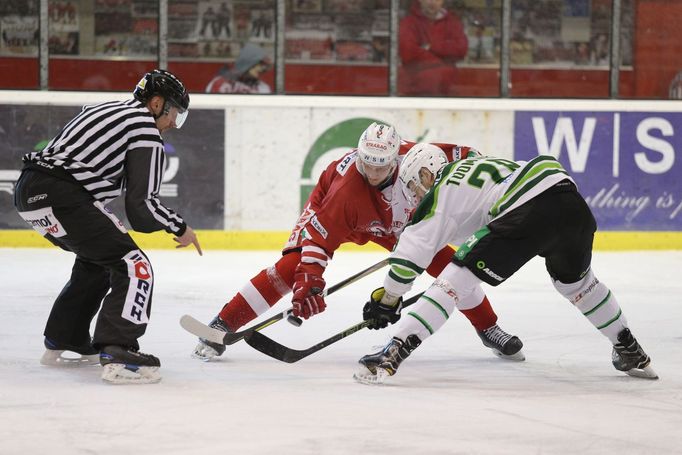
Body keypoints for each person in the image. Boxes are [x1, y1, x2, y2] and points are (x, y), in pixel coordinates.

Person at [192, 124, 524, 361]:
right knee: (291, 268)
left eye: (381, 165)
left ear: (397, 157)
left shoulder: (419, 157)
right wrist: (310, 281)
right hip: (341, 214)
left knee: (449, 266)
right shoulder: (346, 193)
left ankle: (488, 328)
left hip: (396, 222)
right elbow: (319, 242)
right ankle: (222, 324)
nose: (372, 173)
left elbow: (465, 155)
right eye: (366, 163)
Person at [354, 145, 658, 384]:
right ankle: (629, 348)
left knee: (454, 280)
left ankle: (394, 350)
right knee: (578, 284)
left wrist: (390, 298)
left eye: (414, 187)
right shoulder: (480, 166)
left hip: (526, 211)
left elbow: (411, 254)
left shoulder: (440, 189)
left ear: (425, 173)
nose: (417, 197)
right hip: (569, 200)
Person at [14, 69, 202, 385]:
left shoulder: (106, 108)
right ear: (156, 103)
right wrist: (180, 227)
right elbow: (141, 208)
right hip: (63, 195)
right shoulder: (145, 128)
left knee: (98, 261)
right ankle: (119, 350)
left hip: (29, 193)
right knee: (134, 264)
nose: (173, 124)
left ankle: (66, 338)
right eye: (174, 114)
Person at [399, 0, 468, 96]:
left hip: (447, 92)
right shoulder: (408, 23)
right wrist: (444, 61)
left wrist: (431, 47)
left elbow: (461, 49)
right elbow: (408, 52)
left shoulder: (453, 23)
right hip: (414, 93)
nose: (432, 2)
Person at [205, 43, 272, 94]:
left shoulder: (263, 88)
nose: (262, 69)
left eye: (264, 65)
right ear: (248, 63)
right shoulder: (220, 82)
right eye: (260, 64)